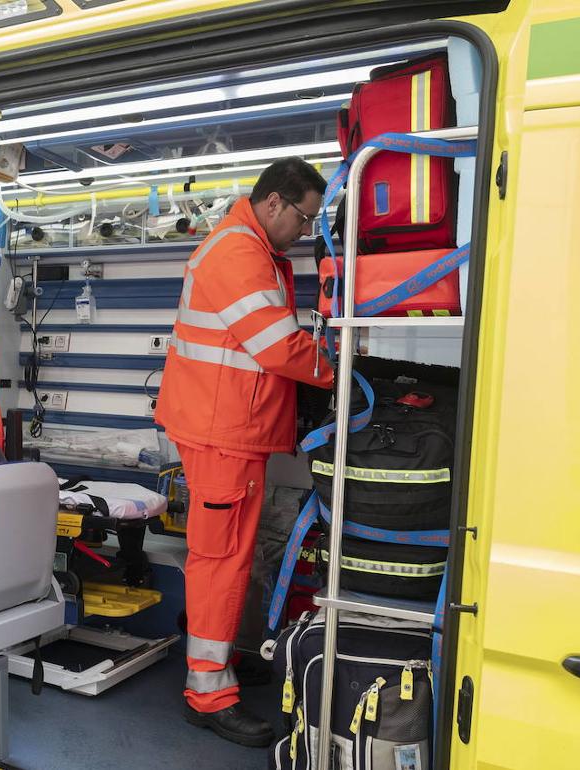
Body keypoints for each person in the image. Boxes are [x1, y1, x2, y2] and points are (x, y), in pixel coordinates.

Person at [154, 157, 334, 747]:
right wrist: (341, 371)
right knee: (220, 560)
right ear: (275, 202)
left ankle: (222, 660)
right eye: (304, 218)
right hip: (220, 432)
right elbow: (278, 347)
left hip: (230, 429)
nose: (305, 232)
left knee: (228, 555)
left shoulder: (257, 251)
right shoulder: (238, 252)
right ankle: (208, 693)